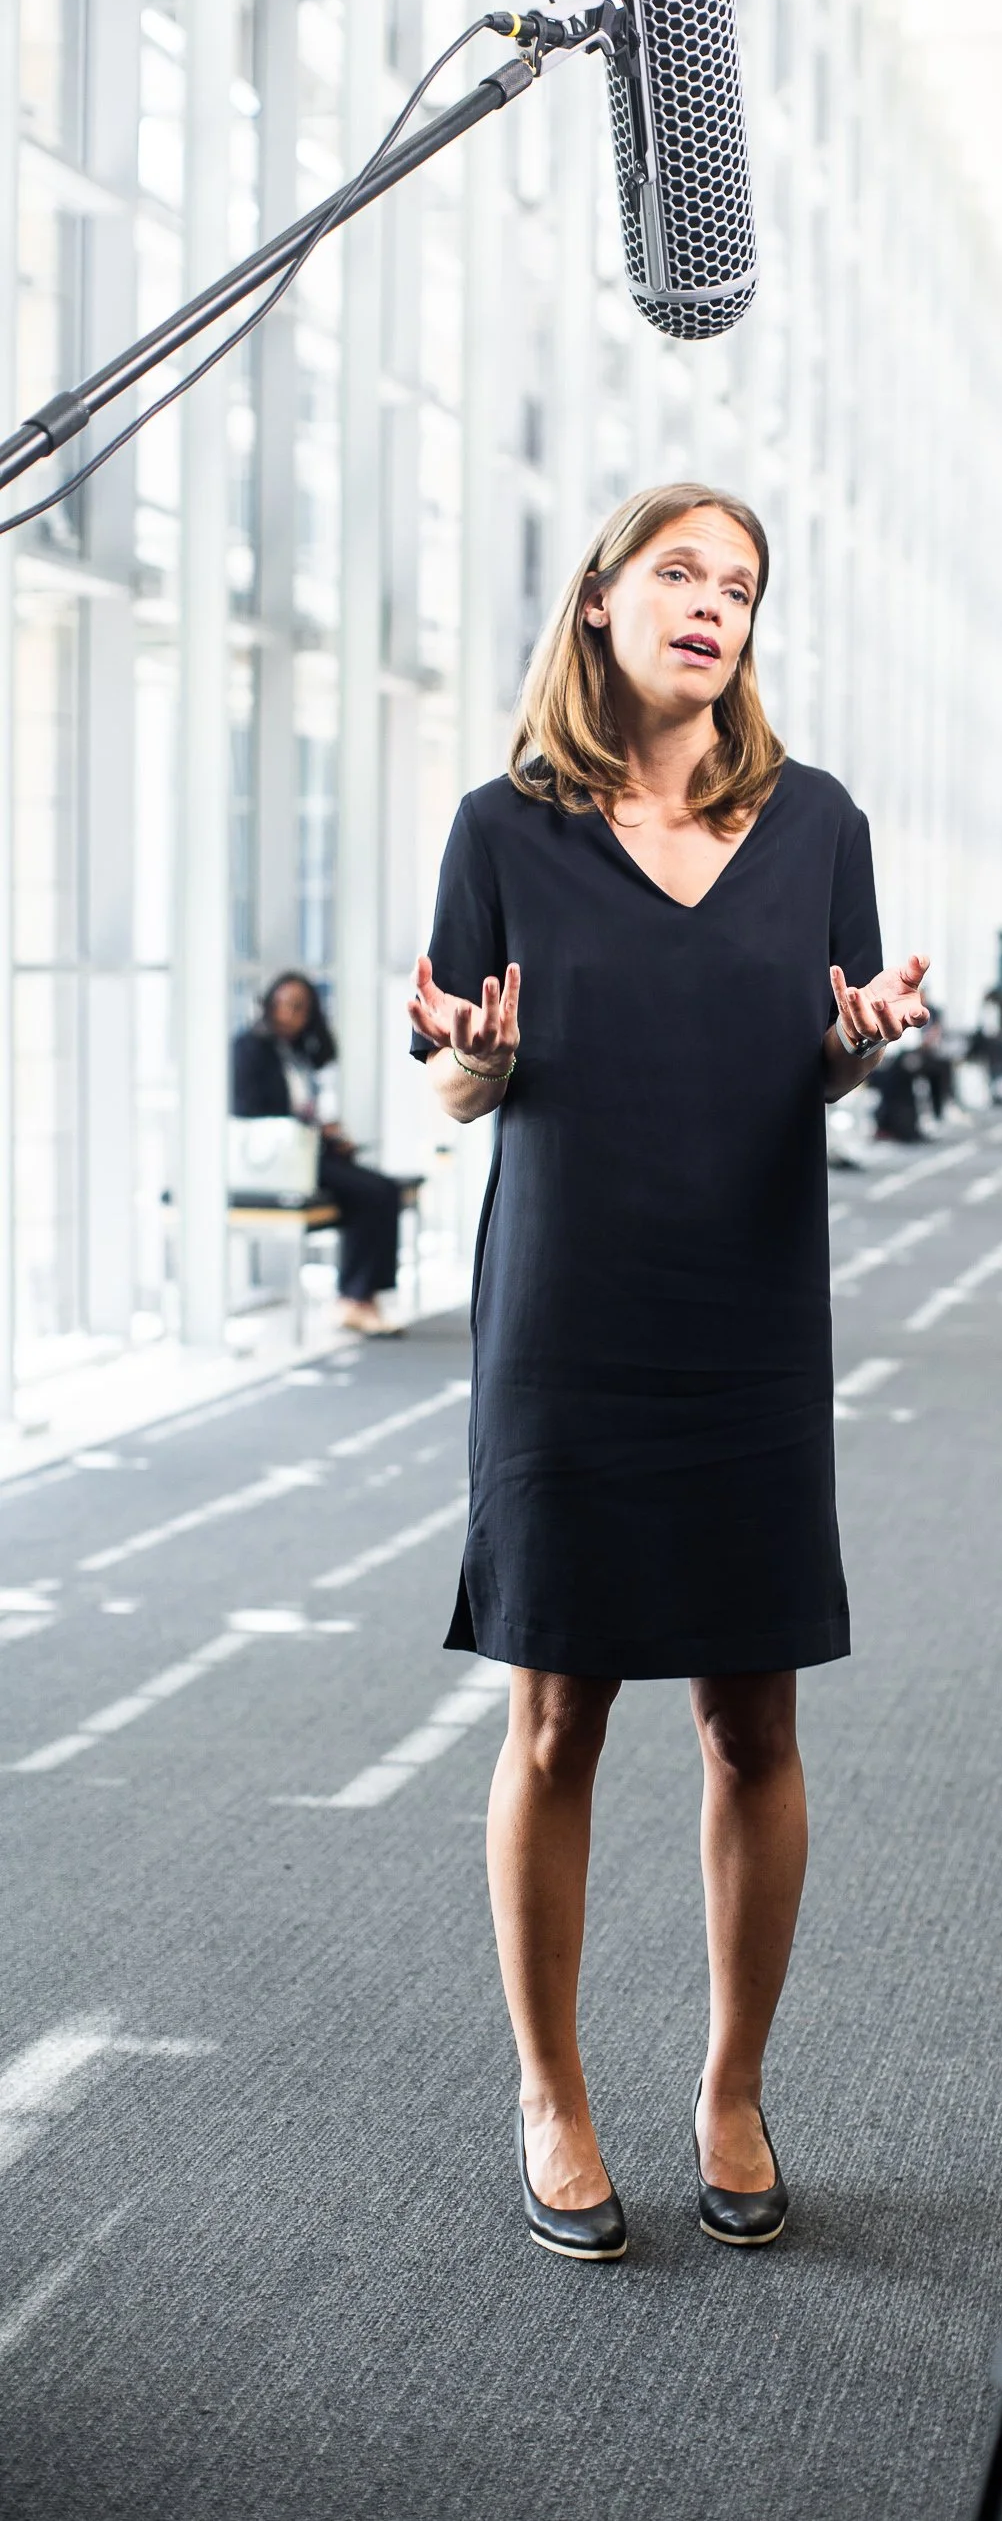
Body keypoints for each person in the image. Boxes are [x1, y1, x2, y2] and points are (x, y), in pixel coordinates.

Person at [408, 483, 931, 2254]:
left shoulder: (818, 821)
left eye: (743, 587)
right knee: (553, 1717)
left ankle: (731, 2087)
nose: (715, 606)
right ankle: (551, 2097)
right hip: (568, 1317)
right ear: (603, 605)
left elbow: (824, 1053)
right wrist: (475, 1063)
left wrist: (856, 1053)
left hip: (750, 1312)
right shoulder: (504, 825)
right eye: (681, 575)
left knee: (752, 1717)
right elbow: (457, 1076)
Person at [231, 972, 405, 1336]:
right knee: (376, 1192)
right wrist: (310, 1129)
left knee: (379, 1190)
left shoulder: (296, 1052)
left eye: (298, 1007)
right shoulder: (250, 1048)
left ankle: (361, 1297)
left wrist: (326, 1132)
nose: (287, 1014)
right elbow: (253, 1112)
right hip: (280, 1161)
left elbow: (303, 1106)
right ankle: (356, 1298)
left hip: (308, 1152)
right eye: (281, 1004)